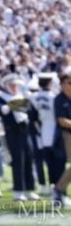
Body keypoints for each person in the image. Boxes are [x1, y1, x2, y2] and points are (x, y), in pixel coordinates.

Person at [0, 74, 40, 202]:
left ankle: (29, 190)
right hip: (13, 132)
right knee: (18, 161)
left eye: (16, 85)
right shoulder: (2, 98)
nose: (14, 87)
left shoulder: (21, 97)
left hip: (25, 131)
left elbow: (32, 113)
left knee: (29, 159)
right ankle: (18, 191)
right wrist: (6, 108)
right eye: (12, 85)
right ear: (7, 86)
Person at [52, 70, 71, 207]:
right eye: (69, 82)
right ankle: (58, 189)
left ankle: (59, 189)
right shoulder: (59, 100)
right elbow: (62, 120)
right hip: (66, 134)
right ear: (63, 84)